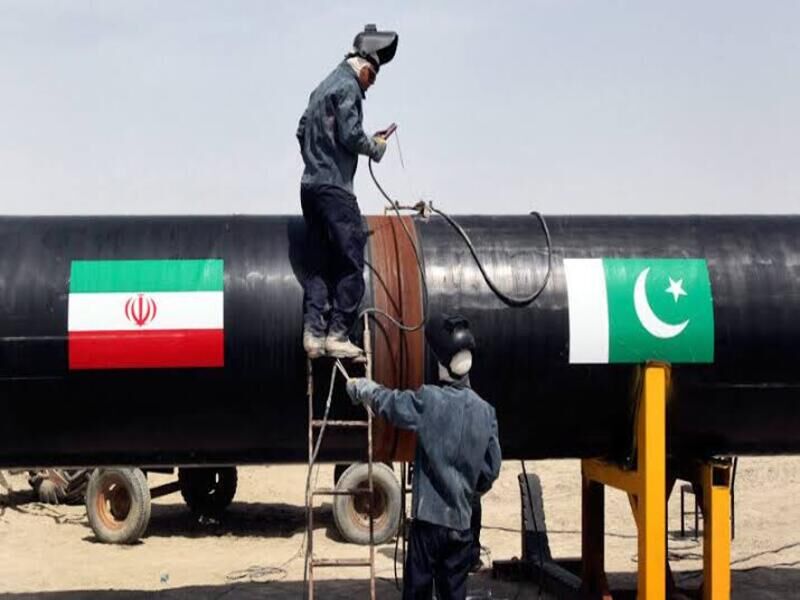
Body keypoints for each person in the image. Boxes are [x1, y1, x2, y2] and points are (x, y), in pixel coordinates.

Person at [346, 314, 502, 600]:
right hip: (462, 525)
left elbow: (391, 403)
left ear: (443, 365)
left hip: (428, 523)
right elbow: (491, 470)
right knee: (453, 594)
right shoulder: (486, 412)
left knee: (417, 592)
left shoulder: (430, 399)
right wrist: (466, 491)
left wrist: (363, 389)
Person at [296, 24, 399, 359]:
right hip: (335, 190)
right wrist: (376, 147)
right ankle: (338, 334)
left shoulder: (322, 87)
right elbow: (352, 134)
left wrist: (317, 158)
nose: (372, 84)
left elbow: (301, 129)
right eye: (373, 76)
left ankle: (313, 334)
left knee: (317, 261)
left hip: (310, 186)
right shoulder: (348, 86)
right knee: (351, 261)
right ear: (364, 65)